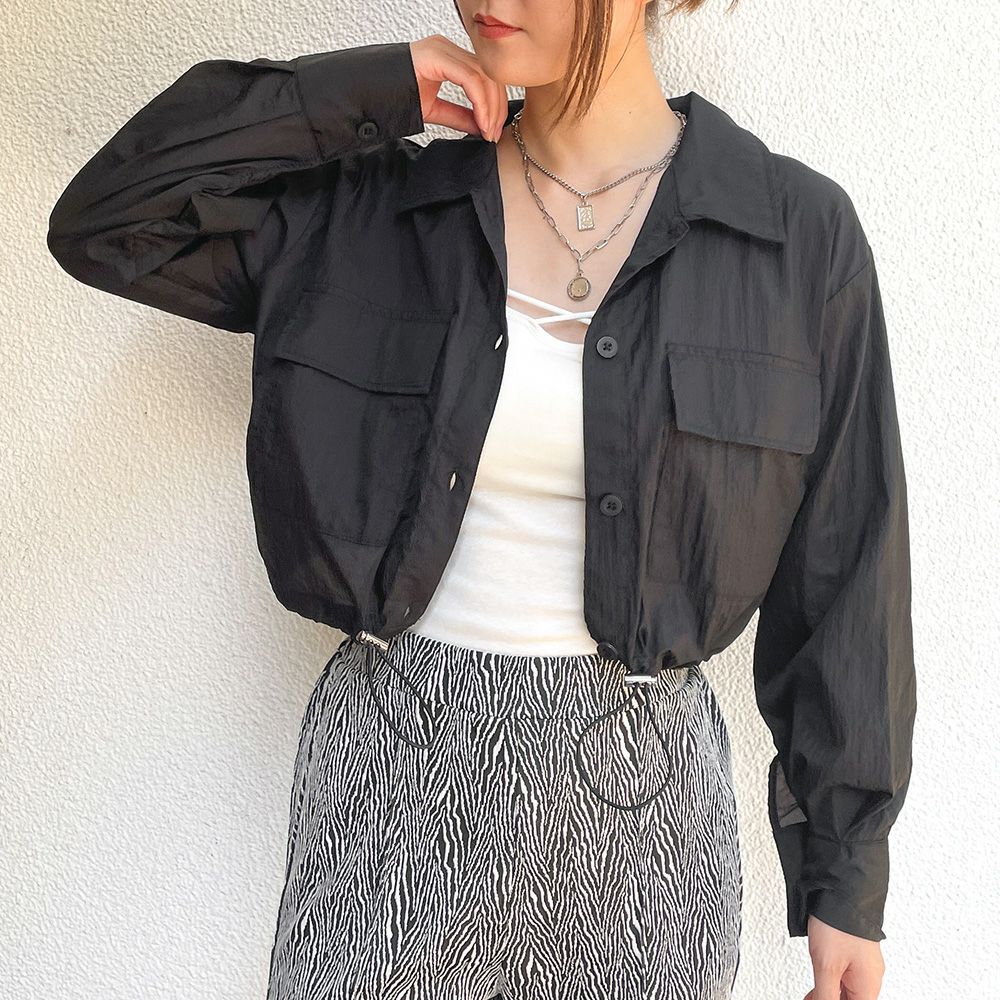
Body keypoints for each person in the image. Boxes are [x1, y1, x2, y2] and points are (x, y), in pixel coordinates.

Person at [46, 2, 916, 999]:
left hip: (640, 806)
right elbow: (107, 221)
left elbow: (847, 567)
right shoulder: (368, 213)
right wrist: (369, 91)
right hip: (389, 776)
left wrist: (846, 880)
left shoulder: (793, 239)